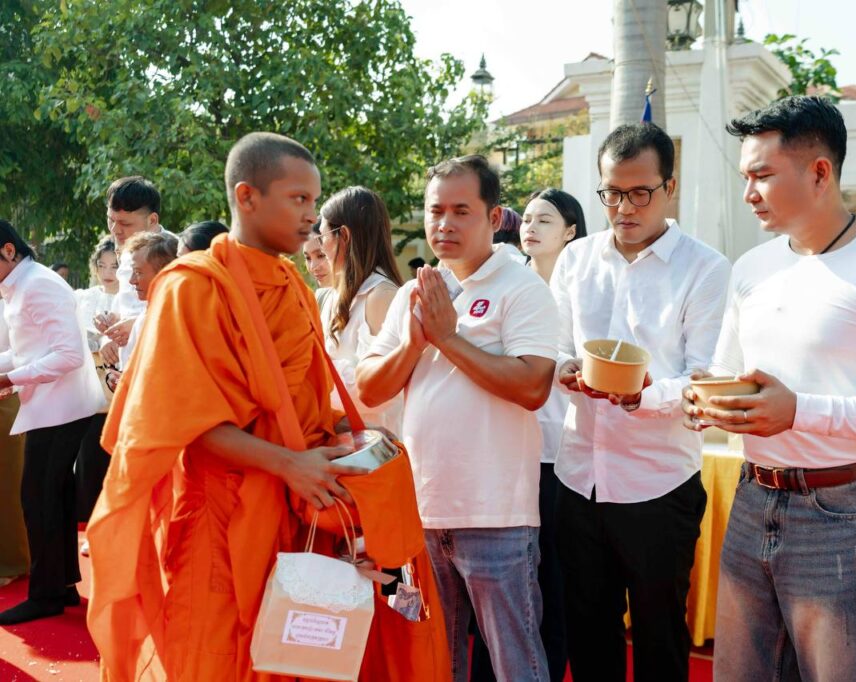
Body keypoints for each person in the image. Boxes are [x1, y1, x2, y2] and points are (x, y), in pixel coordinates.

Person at [86, 132, 447, 681]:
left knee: (292, 655)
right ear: (247, 196)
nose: (311, 216)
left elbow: (303, 405)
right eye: (298, 199)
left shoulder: (291, 285)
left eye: (313, 201)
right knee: (215, 658)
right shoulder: (192, 287)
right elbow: (181, 420)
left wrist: (352, 461)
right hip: (219, 515)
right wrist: (289, 464)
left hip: (292, 507)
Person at [682, 96, 856, 681]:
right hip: (752, 497)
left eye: (762, 175)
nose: (748, 193)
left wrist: (800, 411)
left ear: (819, 172)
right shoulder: (750, 267)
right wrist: (696, 400)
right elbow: (725, 371)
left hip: (842, 514)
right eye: (745, 176)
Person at [358, 155, 558, 682]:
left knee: (516, 662)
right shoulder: (414, 292)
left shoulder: (522, 288)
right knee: (430, 659)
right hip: (420, 512)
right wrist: (413, 343)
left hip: (497, 517)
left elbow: (533, 387)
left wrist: (447, 338)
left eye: (461, 211)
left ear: (493, 217)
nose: (444, 223)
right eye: (435, 211)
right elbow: (369, 387)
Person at [551, 123, 730, 682]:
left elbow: (705, 376)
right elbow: (553, 346)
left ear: (669, 188)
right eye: (612, 193)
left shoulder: (705, 268)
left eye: (640, 193)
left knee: (659, 636)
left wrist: (642, 394)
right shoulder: (576, 260)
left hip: (659, 483)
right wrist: (564, 368)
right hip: (579, 476)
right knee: (588, 632)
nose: (624, 208)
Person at [471, 188, 588, 682]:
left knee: (550, 578)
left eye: (546, 220)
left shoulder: (581, 291)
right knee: (503, 581)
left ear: (571, 232)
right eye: (529, 219)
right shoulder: (507, 283)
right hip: (505, 450)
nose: (531, 228)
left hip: (558, 456)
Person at [0, 220, 106, 625]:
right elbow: (27, 351)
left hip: (62, 408)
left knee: (39, 498)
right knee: (52, 497)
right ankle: (60, 586)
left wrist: (10, 378)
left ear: (9, 251)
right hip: (52, 406)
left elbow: (69, 354)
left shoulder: (37, 284)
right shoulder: (24, 283)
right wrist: (9, 373)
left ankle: (46, 594)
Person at [318, 187, 404, 436]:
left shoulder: (382, 295)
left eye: (322, 237)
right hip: (340, 438)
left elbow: (385, 386)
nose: (321, 248)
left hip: (378, 441)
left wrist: (317, 374)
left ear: (343, 235)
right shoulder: (333, 296)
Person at [95, 176, 176, 367]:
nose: (115, 230)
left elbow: (180, 315)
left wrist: (139, 325)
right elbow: (126, 306)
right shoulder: (128, 250)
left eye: (125, 224)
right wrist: (110, 327)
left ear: (152, 220)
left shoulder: (175, 254)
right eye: (110, 220)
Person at [73, 237, 120, 535]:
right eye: (102, 265)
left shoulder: (132, 297)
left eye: (114, 266)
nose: (107, 272)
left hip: (122, 391)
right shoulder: (85, 297)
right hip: (91, 390)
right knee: (89, 460)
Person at [117, 232, 179, 370]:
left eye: (138, 272)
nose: (131, 280)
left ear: (163, 273)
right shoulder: (147, 315)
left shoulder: (172, 320)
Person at [0, 299, 29, 589]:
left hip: (5, 398)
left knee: (7, 483)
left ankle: (11, 561)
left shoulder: (13, 303)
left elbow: (24, 353)